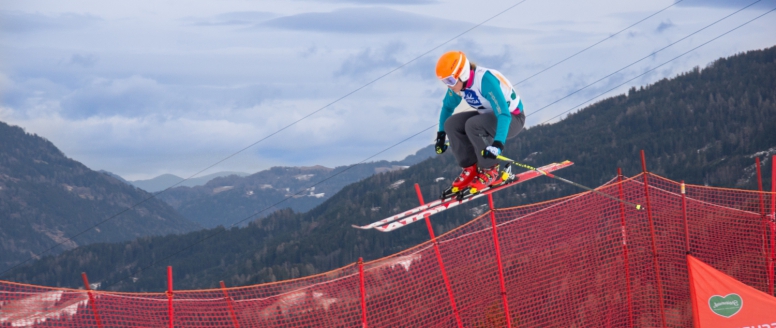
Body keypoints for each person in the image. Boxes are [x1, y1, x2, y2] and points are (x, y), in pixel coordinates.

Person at [434, 50, 525, 195]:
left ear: (462, 74)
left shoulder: (484, 81)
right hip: (489, 116)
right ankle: (471, 168)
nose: (448, 85)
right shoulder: (459, 85)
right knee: (451, 124)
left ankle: (490, 170)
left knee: (473, 124)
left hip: (512, 119)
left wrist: (498, 144)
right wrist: (441, 135)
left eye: (450, 80)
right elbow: (447, 107)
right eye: (445, 81)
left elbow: (503, 114)